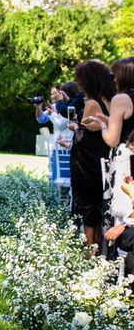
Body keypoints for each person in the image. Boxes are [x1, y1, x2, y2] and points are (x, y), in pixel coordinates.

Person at [84, 57, 134, 251]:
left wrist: (103, 125)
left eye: (114, 75)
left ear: (122, 76)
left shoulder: (120, 98)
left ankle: (114, 254)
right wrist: (109, 118)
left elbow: (112, 139)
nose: (112, 79)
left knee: (123, 204)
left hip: (126, 158)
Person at [66, 60, 114, 249]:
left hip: (87, 164)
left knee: (88, 205)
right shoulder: (108, 99)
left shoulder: (92, 102)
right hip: (104, 158)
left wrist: (75, 127)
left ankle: (89, 248)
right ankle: (100, 247)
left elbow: (83, 136)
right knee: (100, 205)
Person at [34, 83, 76, 180]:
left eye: (55, 93)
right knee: (55, 178)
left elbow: (61, 125)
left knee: (65, 180)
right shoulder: (55, 106)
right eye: (51, 94)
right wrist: (38, 108)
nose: (52, 96)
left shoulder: (70, 107)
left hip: (67, 149)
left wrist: (53, 113)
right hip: (56, 148)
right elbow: (41, 119)